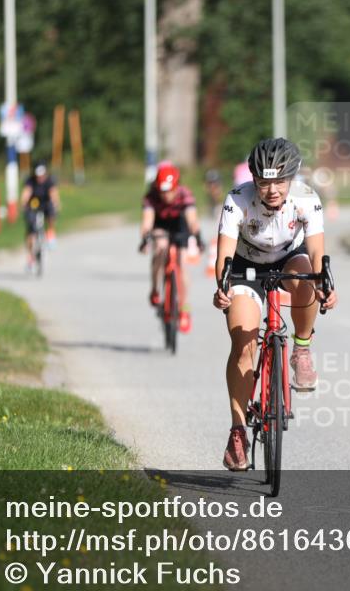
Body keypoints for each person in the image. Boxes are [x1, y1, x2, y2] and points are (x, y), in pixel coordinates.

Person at [213, 138, 338, 471]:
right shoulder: (237, 200)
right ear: (254, 178)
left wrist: (325, 285)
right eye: (264, 182)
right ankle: (238, 431)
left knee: (307, 277)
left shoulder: (307, 199)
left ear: (291, 179)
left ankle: (301, 348)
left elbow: (316, 254)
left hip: (288, 261)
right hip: (244, 268)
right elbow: (224, 253)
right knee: (242, 344)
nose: (272, 189)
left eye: (280, 181)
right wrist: (222, 285)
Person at [140, 161, 201, 333]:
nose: (166, 196)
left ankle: (184, 308)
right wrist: (145, 238)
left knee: (182, 261)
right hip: (160, 224)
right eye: (162, 192)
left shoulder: (184, 194)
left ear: (176, 187)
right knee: (160, 247)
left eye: (170, 191)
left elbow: (192, 219)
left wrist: (198, 236)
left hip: (178, 224)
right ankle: (154, 290)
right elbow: (147, 220)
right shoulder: (151, 197)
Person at [20, 161, 61, 271]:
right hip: (33, 205)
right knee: (31, 230)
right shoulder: (30, 181)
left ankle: (51, 234)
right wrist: (23, 203)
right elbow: (26, 193)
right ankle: (30, 258)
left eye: (42, 175)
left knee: (51, 211)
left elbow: (53, 194)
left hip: (45, 204)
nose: (40, 178)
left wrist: (56, 203)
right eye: (38, 175)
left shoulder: (49, 181)